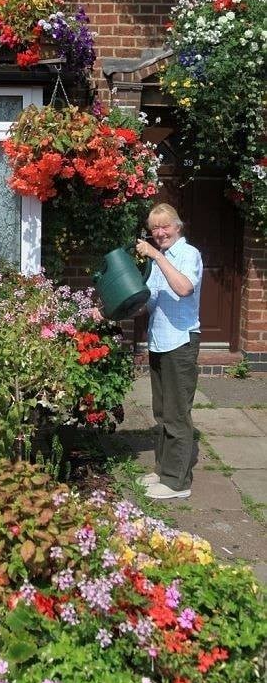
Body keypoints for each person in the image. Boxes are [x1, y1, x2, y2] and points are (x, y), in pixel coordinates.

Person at [135, 203, 203, 500]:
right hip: (160, 341)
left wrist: (156, 256)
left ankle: (178, 482)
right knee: (162, 412)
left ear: (178, 227)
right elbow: (149, 301)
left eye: (165, 226)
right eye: (154, 229)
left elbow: (184, 288)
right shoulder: (159, 260)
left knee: (177, 414)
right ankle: (163, 470)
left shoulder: (189, 255)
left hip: (180, 343)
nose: (159, 233)